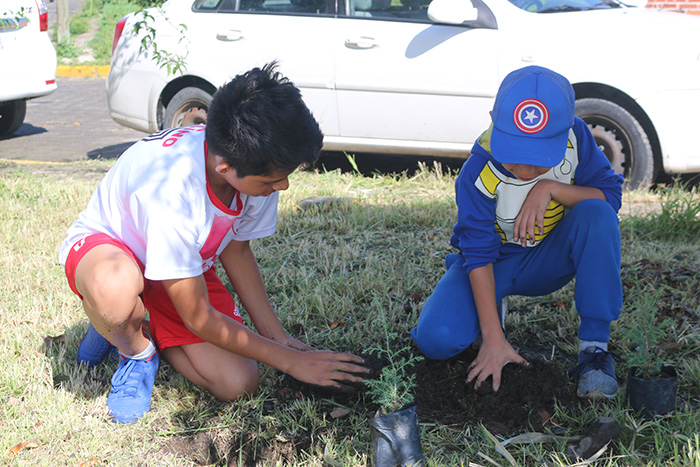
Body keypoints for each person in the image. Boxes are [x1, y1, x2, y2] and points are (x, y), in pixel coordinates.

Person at [59, 63, 369, 424]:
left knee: (238, 383)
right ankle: (133, 347)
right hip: (110, 252)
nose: (282, 187)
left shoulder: (254, 164)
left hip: (177, 267)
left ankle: (136, 320)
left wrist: (278, 337)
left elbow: (236, 249)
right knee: (114, 289)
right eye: (274, 180)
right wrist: (292, 362)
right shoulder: (172, 189)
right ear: (225, 168)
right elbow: (198, 316)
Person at [411, 66, 624, 400]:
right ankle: (492, 316)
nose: (525, 172)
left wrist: (550, 187)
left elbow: (609, 197)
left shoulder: (576, 138)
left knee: (597, 214)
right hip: (492, 265)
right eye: (514, 160)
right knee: (435, 340)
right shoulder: (477, 171)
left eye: (537, 163)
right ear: (496, 124)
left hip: (549, 259)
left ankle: (594, 352)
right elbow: (478, 253)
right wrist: (493, 338)